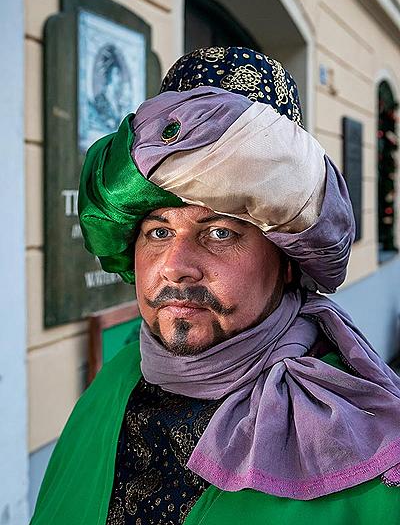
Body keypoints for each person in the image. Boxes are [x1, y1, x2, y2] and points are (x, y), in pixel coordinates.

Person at [31, 47, 400, 525]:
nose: (175, 267)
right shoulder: (120, 375)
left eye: (220, 232)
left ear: (287, 261)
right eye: (159, 231)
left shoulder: (360, 447)